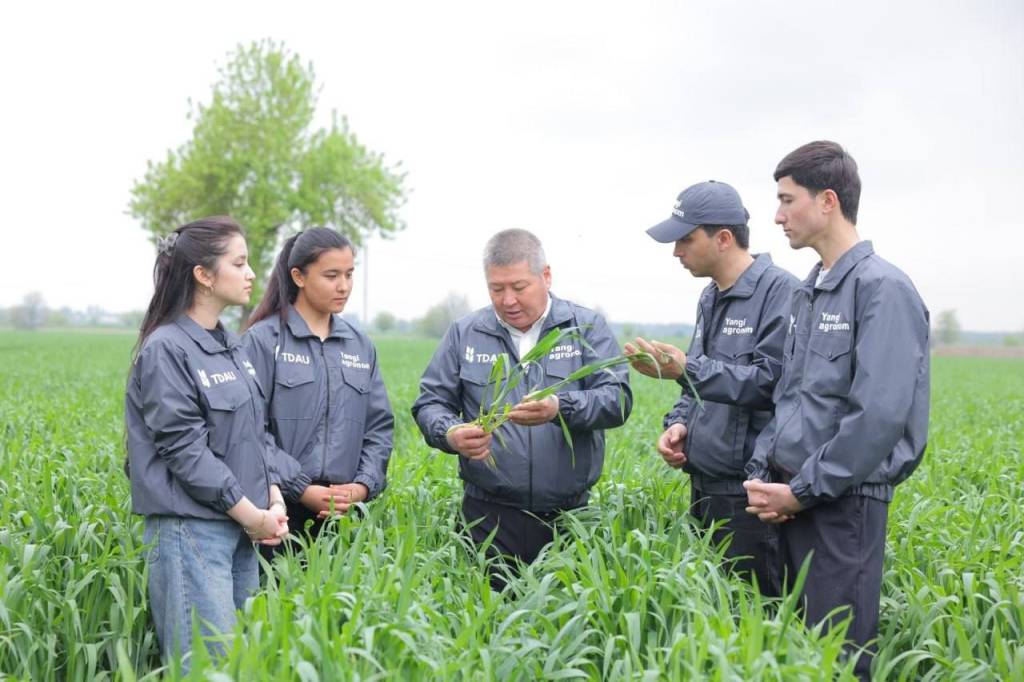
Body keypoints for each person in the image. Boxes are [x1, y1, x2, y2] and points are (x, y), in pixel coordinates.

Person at [743, 141, 930, 678]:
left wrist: (801, 492)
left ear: (827, 201)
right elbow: (789, 397)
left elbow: (877, 417)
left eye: (786, 200)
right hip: (791, 503)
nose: (777, 216)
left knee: (837, 662)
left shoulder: (882, 289)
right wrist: (766, 474)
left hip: (842, 508)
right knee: (796, 658)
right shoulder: (810, 291)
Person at [411, 228, 632, 587]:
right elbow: (430, 403)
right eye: (496, 289)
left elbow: (618, 399)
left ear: (545, 276)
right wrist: (450, 434)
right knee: (485, 625)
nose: (508, 300)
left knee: (567, 627)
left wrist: (562, 406)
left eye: (518, 287)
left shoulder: (584, 328)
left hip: (569, 519)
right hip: (487, 519)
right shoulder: (466, 333)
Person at [124, 216, 289, 667]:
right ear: (203, 274)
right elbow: (184, 450)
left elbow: (254, 436)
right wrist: (251, 512)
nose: (252, 273)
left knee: (236, 665)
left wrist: (271, 499)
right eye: (239, 262)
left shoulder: (230, 345)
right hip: (191, 532)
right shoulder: (167, 349)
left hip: (240, 528)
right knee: (206, 668)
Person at [624, 180, 797, 596]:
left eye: (685, 239)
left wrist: (686, 369)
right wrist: (680, 423)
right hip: (704, 485)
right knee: (713, 609)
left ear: (723, 238)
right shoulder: (710, 297)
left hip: (753, 492)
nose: (676, 252)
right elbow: (696, 382)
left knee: (756, 612)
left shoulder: (781, 293)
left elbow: (772, 384)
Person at [242, 228, 394, 550]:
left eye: (350, 275)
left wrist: (362, 487)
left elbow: (378, 429)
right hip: (277, 510)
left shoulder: (360, 346)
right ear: (298, 276)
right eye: (331, 275)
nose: (344, 286)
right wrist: (301, 488)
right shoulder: (263, 341)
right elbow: (249, 430)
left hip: (346, 516)